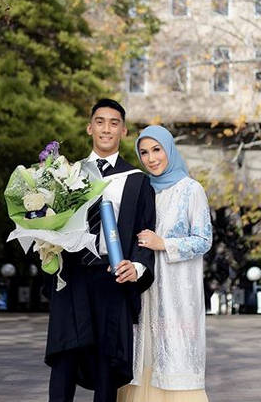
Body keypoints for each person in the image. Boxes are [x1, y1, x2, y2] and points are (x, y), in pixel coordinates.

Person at [46, 98, 156, 402]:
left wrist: (137, 267)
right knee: (64, 359)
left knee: (108, 366)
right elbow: (50, 225)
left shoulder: (136, 181)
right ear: (89, 127)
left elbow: (145, 234)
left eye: (114, 123)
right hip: (72, 279)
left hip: (112, 279)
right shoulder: (66, 175)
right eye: (100, 121)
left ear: (123, 131)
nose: (106, 129)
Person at [117, 125, 213, 402]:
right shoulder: (142, 190)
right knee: (143, 358)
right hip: (145, 291)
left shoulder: (191, 190)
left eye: (156, 150)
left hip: (178, 294)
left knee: (176, 357)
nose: (151, 158)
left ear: (169, 149)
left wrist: (165, 244)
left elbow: (203, 240)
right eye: (144, 152)